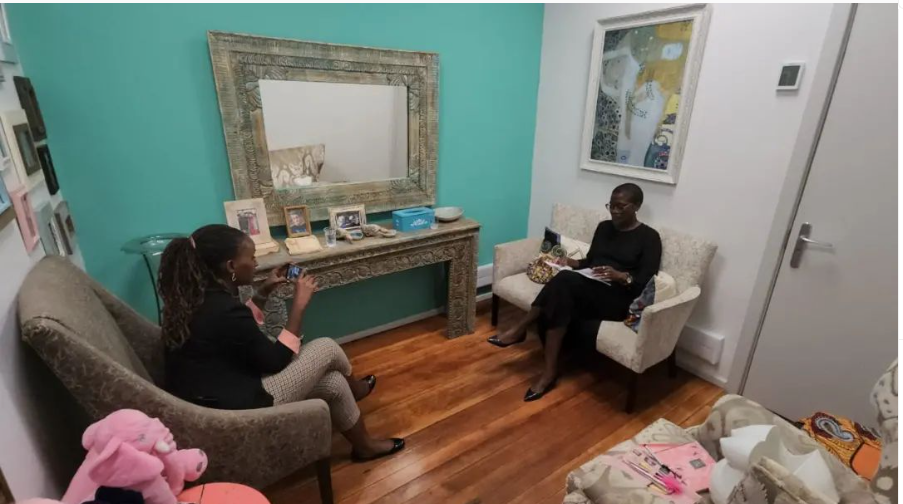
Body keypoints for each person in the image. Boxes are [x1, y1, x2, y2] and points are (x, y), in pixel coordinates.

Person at [158, 224, 404, 461]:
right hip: (236, 410)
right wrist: (299, 305)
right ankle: (357, 391)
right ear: (231, 266)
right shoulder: (223, 309)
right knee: (327, 347)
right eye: (251, 257)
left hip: (217, 394)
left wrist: (263, 291)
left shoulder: (196, 298)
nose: (256, 263)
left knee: (333, 382)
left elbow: (235, 328)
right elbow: (275, 361)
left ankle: (364, 446)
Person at [487, 183, 662, 402]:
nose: (614, 211)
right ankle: (549, 371)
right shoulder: (604, 228)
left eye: (621, 206)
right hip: (591, 285)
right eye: (611, 205)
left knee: (564, 283)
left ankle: (521, 330)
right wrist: (570, 262)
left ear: (636, 206)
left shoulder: (649, 238)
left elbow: (644, 282)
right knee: (562, 290)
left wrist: (620, 276)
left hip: (619, 297)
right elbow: (590, 261)